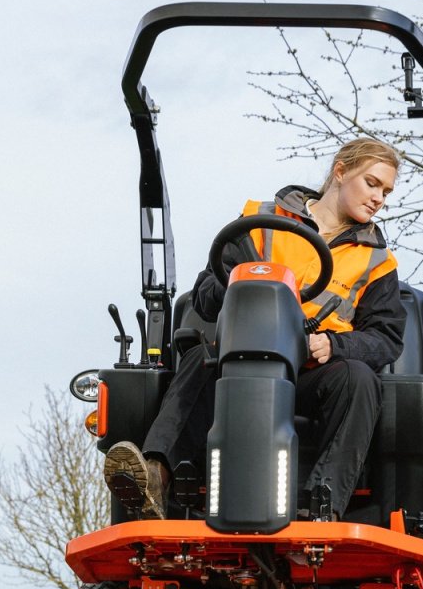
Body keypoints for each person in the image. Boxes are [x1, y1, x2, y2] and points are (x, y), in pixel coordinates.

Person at [104, 137, 404, 521]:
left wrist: (335, 344)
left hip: (312, 376)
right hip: (242, 364)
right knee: (199, 359)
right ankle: (153, 479)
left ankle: (320, 508)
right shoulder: (261, 222)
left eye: (387, 191)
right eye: (373, 183)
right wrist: (228, 278)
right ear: (341, 172)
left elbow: (385, 337)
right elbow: (206, 299)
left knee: (359, 378)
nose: (380, 198)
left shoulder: (377, 260)